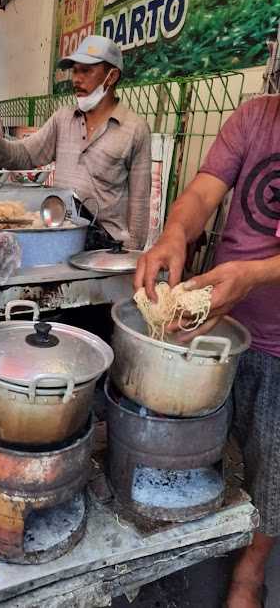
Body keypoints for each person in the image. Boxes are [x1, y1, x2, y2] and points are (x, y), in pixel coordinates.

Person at [135, 93, 280, 608]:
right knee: (209, 435)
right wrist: (175, 233)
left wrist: (258, 273)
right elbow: (201, 194)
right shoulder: (257, 116)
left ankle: (251, 570)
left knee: (274, 462)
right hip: (223, 321)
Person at [0, 36, 152, 250]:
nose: (76, 79)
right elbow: (25, 155)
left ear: (112, 76)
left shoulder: (135, 129)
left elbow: (139, 206)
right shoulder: (63, 119)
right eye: (75, 71)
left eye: (86, 71)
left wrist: (130, 257)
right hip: (62, 238)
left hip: (107, 248)